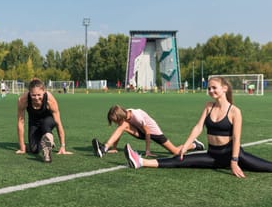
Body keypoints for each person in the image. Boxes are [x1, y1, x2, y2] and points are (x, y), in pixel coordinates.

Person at [124, 76, 272, 178]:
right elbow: (198, 127)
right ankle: (140, 162)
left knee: (267, 167)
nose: (211, 91)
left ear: (224, 88)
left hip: (233, 154)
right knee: (180, 160)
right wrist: (186, 146)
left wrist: (234, 162)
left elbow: (236, 138)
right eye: (209, 89)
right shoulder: (208, 106)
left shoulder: (235, 111)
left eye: (214, 88)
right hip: (213, 154)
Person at [92, 105, 204, 158]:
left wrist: (148, 150)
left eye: (115, 121)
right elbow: (120, 130)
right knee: (123, 126)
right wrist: (115, 148)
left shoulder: (137, 116)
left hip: (153, 132)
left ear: (120, 117)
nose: (115, 123)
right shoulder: (125, 118)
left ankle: (195, 145)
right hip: (141, 131)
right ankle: (104, 148)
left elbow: (148, 133)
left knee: (175, 151)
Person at [16, 78, 72, 163]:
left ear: (44, 92)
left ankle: (48, 142)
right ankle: (46, 141)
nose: (36, 98)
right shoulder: (23, 100)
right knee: (34, 150)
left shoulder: (50, 100)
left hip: (48, 120)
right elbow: (20, 122)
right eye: (33, 95)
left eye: (39, 95)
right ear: (29, 93)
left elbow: (58, 123)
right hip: (34, 122)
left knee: (46, 125)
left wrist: (62, 146)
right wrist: (22, 146)